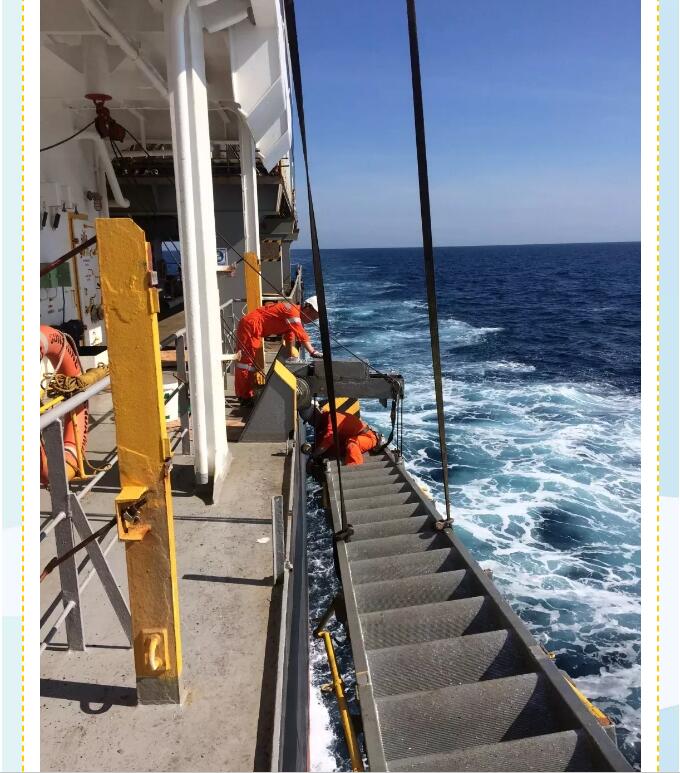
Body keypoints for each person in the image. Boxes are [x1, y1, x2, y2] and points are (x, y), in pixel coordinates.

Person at [235, 296, 322, 403]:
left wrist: (291, 357)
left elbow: (290, 336)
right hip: (251, 326)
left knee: (249, 364)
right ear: (307, 308)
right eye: (312, 316)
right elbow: (301, 334)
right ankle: (244, 397)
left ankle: (247, 393)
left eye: (315, 318)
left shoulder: (292, 315)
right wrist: (312, 352)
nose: (311, 320)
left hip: (253, 327)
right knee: (246, 364)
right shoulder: (292, 312)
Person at [311, 408, 382, 466]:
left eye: (310, 421)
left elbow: (328, 438)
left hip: (368, 437)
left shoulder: (334, 418)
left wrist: (314, 455)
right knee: (330, 450)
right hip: (352, 437)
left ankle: (354, 468)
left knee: (352, 444)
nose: (310, 424)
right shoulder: (326, 419)